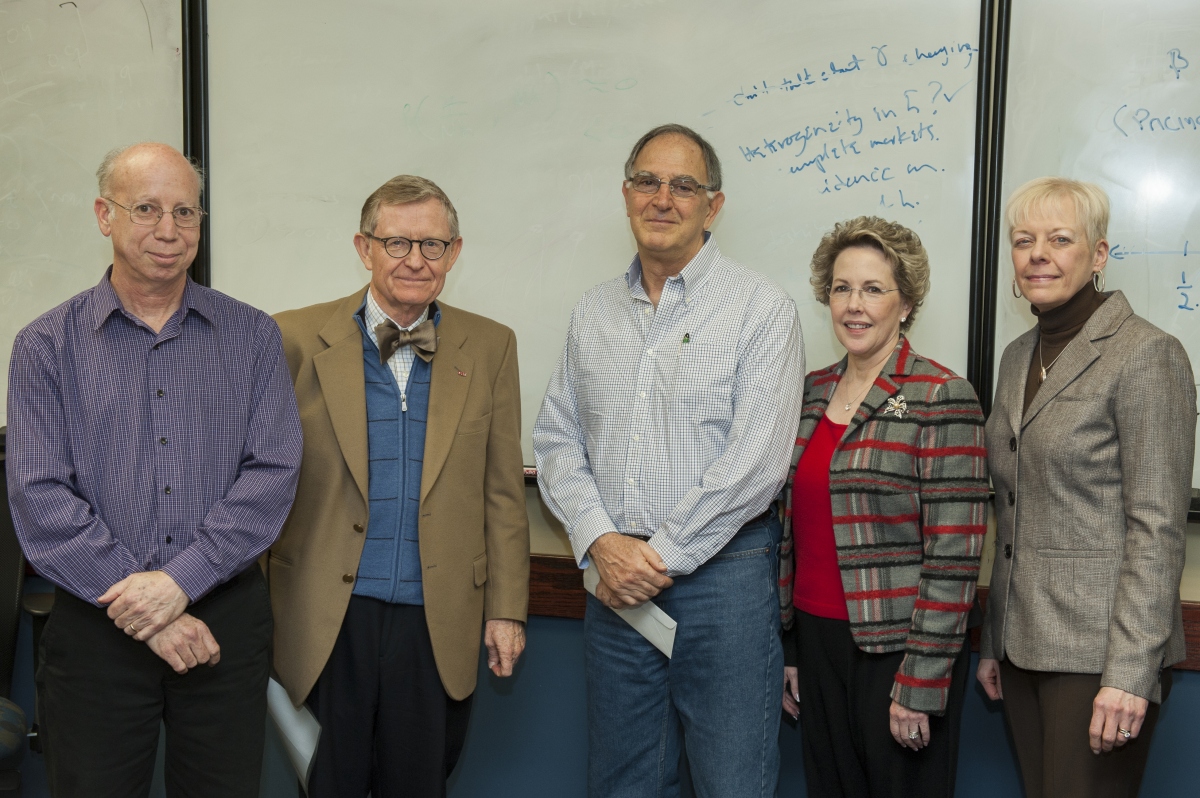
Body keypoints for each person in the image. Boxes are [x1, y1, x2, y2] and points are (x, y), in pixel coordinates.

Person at [5, 142, 303, 797]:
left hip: (223, 626)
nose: (168, 231)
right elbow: (40, 495)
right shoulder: (44, 347)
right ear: (103, 215)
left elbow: (272, 474)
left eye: (185, 212)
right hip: (94, 624)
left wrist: (181, 583)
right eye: (146, 209)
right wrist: (156, 606)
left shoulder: (254, 337)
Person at [533, 124, 804, 798]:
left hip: (726, 579)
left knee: (732, 782)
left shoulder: (761, 310)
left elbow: (757, 462)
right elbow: (557, 439)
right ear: (626, 195)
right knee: (624, 781)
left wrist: (655, 558)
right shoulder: (592, 313)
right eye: (648, 182)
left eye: (683, 185)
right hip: (615, 584)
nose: (663, 198)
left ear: (712, 206)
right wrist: (602, 541)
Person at [268, 174, 530, 797]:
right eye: (396, 243)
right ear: (363, 248)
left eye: (433, 246)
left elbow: (502, 491)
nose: (416, 260)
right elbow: (259, 483)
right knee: (329, 784)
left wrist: (508, 609)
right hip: (326, 616)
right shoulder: (293, 340)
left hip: (437, 619)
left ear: (455, 253)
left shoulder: (491, 346)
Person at [977, 177, 1195, 798]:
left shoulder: (1148, 354)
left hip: (1102, 656)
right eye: (1024, 240)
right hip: (1023, 645)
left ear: (1098, 255)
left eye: (1059, 239)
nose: (1038, 253)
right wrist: (995, 639)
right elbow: (1015, 508)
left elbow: (1156, 528)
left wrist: (1129, 674)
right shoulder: (1019, 355)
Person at [777, 216, 988, 797]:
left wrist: (920, 681)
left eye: (873, 289)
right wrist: (790, 648)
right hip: (817, 644)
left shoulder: (940, 396)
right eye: (842, 288)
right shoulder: (811, 391)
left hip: (897, 651)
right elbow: (790, 530)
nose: (854, 305)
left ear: (907, 301)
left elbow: (955, 558)